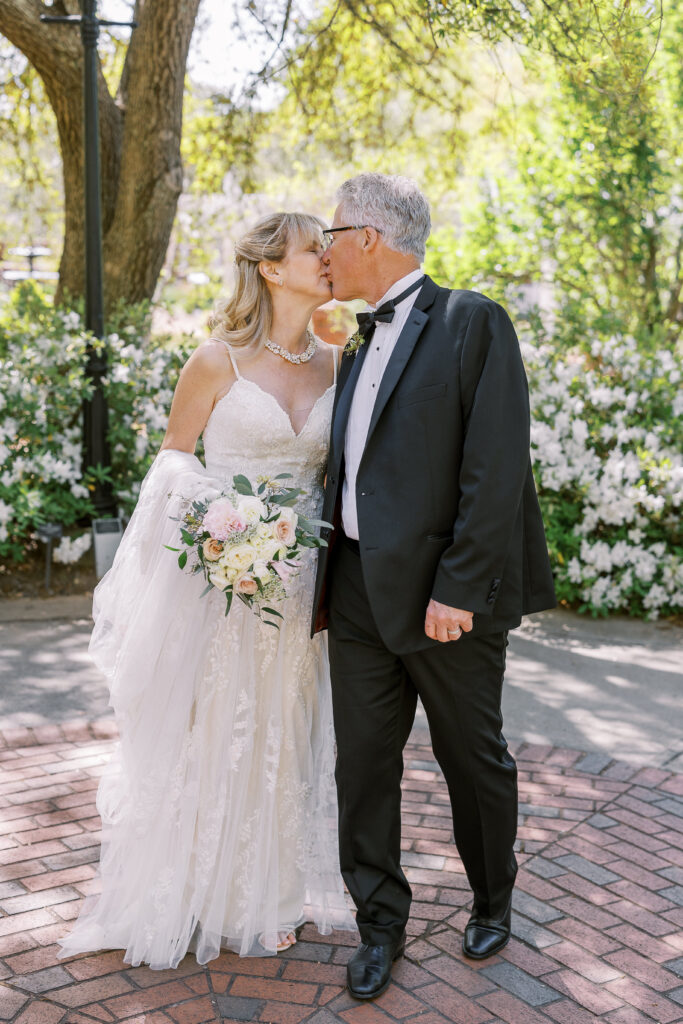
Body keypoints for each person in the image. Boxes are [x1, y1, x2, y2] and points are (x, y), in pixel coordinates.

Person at [58, 212, 354, 969]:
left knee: (284, 729)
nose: (327, 259)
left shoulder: (338, 361)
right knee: (214, 728)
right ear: (269, 267)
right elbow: (172, 462)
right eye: (312, 250)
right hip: (221, 577)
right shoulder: (215, 361)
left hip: (299, 586)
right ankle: (193, 886)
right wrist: (229, 526)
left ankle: (271, 894)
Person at [311, 173, 556, 1000]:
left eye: (330, 232)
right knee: (363, 769)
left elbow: (494, 471)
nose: (323, 247)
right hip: (352, 594)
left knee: (470, 758)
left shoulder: (471, 322)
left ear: (369, 238)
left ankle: (493, 897)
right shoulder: (349, 341)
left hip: (443, 598)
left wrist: (457, 589)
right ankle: (379, 923)